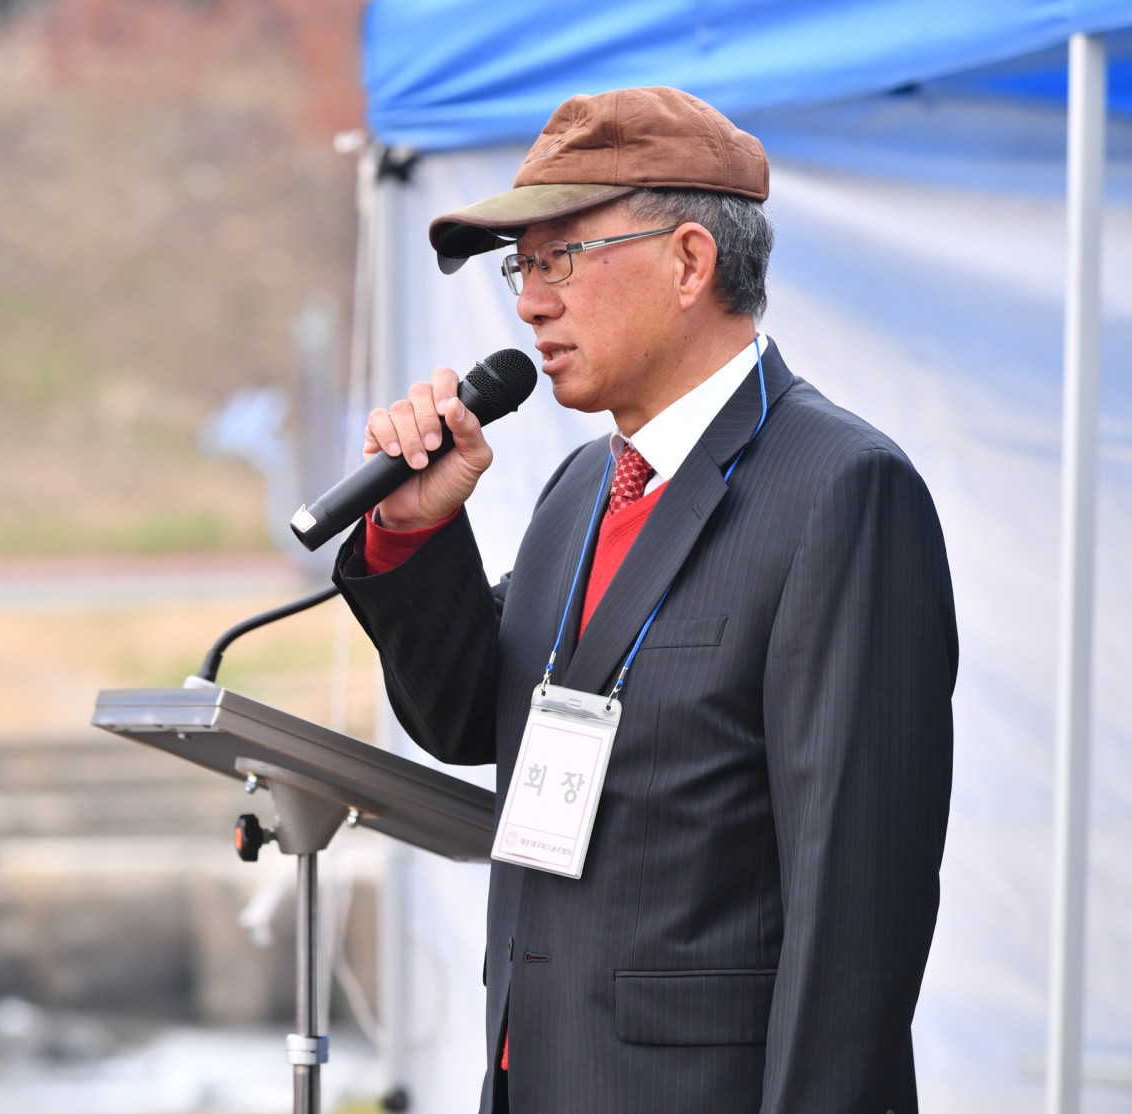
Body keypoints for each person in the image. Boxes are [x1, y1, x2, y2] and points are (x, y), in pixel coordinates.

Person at [332, 87, 957, 1113]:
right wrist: (413, 531)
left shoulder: (841, 489)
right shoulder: (583, 486)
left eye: (560, 258)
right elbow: (466, 718)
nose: (530, 303)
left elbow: (859, 906)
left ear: (689, 262)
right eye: (521, 267)